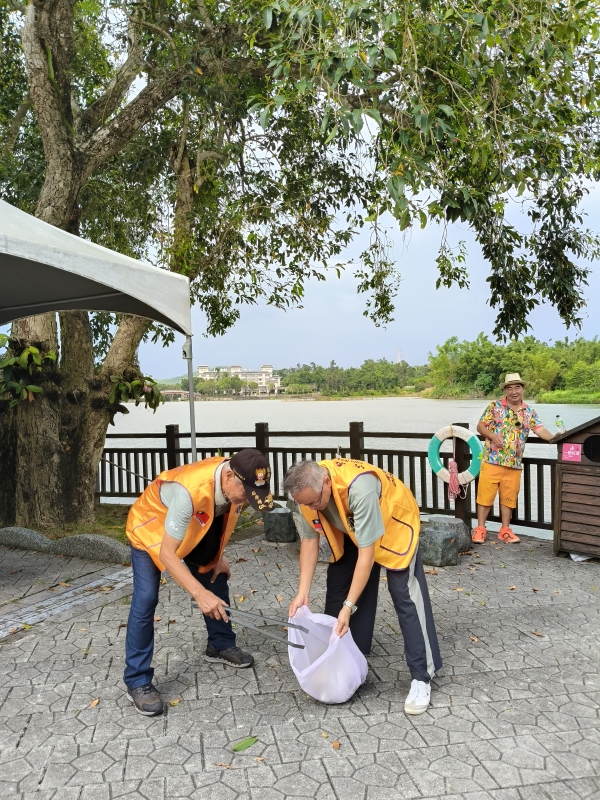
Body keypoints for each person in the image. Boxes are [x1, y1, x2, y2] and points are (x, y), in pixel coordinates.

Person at [283, 458, 442, 716]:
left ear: (326, 482)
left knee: (403, 594)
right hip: (352, 526)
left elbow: (367, 556)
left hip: (394, 522)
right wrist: (302, 592)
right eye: (305, 504)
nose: (310, 508)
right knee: (338, 583)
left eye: (313, 502)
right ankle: (349, 659)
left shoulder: (360, 488)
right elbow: (309, 542)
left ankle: (422, 676)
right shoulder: (307, 491)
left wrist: (349, 606)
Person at [123, 449, 274, 715]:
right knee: (146, 598)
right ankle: (137, 679)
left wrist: (217, 556)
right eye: (247, 494)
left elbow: (222, 522)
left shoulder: (235, 482)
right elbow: (167, 554)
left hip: (193, 525)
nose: (248, 500)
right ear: (229, 477)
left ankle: (220, 644)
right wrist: (199, 594)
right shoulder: (188, 493)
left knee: (214, 572)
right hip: (151, 528)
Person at [472, 373, 553, 544]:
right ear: (505, 390)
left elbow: (540, 430)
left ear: (523, 389)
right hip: (492, 460)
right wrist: (492, 436)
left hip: (514, 464)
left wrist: (556, 439)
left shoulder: (529, 411)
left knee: (509, 499)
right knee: (485, 497)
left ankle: (505, 531)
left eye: (517, 387)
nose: (514, 391)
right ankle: (480, 529)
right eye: (510, 388)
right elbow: (480, 426)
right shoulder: (494, 406)